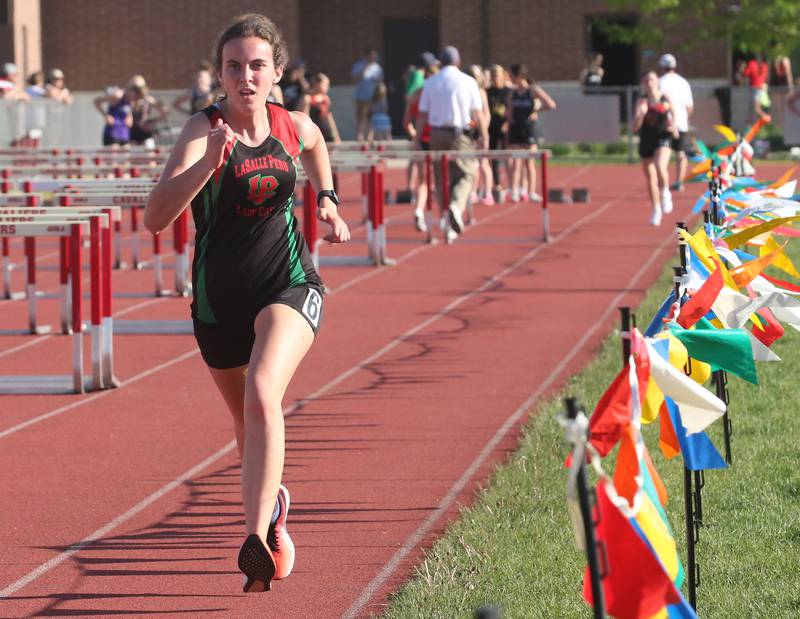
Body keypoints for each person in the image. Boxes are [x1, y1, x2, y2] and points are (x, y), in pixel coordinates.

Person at [144, 12, 349, 593]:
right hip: (217, 306)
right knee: (248, 425)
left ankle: (256, 536)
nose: (246, 76)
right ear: (221, 74)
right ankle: (276, 507)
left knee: (264, 392)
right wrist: (207, 163)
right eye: (234, 66)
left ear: (276, 72)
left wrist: (327, 200)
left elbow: (315, 145)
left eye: (257, 65)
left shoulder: (291, 124)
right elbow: (156, 219)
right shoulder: (200, 130)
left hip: (287, 284)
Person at [415, 45, 487, 244]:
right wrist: (484, 135)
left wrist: (417, 138)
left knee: (440, 179)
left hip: (436, 134)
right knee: (466, 173)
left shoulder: (430, 82)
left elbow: (422, 114)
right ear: (458, 62)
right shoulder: (468, 81)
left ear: (440, 62)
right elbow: (478, 113)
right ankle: (455, 206)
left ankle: (447, 219)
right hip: (459, 134)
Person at [632, 70, 677, 226]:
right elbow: (634, 128)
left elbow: (674, 111)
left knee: (660, 165)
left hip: (663, 136)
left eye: (651, 80)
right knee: (650, 179)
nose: (649, 83)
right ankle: (656, 210)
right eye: (646, 81)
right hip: (647, 139)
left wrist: (675, 126)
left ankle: (665, 192)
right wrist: (641, 115)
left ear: (657, 81)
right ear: (644, 84)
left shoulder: (665, 97)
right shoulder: (641, 101)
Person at [506, 64, 555, 202]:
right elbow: (509, 113)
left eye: (511, 75)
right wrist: (508, 127)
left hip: (529, 129)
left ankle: (531, 192)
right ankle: (515, 191)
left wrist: (536, 110)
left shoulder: (533, 90)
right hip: (516, 129)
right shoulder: (513, 92)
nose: (509, 78)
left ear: (518, 76)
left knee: (529, 163)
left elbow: (551, 104)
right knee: (516, 162)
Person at [403, 52, 439, 232]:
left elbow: (406, 122)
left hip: (422, 141)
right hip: (435, 141)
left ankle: (419, 210)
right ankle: (441, 215)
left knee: (424, 181)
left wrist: (414, 136)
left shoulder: (414, 94)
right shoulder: (434, 93)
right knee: (438, 180)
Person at [657, 54, 693, 191]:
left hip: (664, 123)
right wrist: (686, 119)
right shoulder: (683, 82)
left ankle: (663, 182)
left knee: (662, 154)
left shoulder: (660, 82)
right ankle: (679, 182)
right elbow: (690, 106)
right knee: (680, 152)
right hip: (681, 122)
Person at [468, 64, 495, 206]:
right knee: (472, 163)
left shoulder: (481, 92)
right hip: (470, 131)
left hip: (481, 130)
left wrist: (483, 131)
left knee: (483, 163)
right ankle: (473, 192)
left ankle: (488, 193)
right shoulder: (466, 90)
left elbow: (486, 114)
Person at [486, 64, 511, 201]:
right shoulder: (488, 91)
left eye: (497, 75)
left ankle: (512, 184)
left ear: (502, 76)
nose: (495, 78)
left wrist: (507, 123)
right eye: (493, 75)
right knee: (493, 157)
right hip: (492, 127)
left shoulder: (508, 91)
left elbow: (512, 110)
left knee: (508, 156)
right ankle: (497, 184)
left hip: (505, 127)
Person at [351, 49, 383, 140]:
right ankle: (359, 136)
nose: (374, 58)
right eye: (372, 56)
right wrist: (365, 68)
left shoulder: (377, 67)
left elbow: (380, 80)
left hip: (373, 97)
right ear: (366, 56)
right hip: (361, 96)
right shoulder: (358, 65)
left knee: (371, 117)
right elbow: (354, 79)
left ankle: (370, 136)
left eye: (375, 56)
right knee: (361, 116)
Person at [127, 75, 168, 147]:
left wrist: (154, 121)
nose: (136, 92)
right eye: (133, 89)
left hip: (146, 134)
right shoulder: (128, 101)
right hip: (131, 134)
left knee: (149, 154)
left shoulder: (148, 99)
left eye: (138, 89)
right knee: (132, 155)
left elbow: (164, 111)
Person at [306, 73, 340, 143]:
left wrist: (336, 136)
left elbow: (329, 117)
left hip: (327, 134)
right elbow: (304, 118)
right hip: (314, 135)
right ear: (317, 84)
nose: (328, 87)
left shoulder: (325, 99)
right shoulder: (307, 99)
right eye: (325, 84)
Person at [739, 54, 771, 124]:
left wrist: (742, 69)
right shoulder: (764, 65)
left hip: (755, 87)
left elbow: (746, 74)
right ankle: (750, 121)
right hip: (762, 87)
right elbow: (766, 77)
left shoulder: (752, 63)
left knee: (755, 107)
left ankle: (765, 118)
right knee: (752, 106)